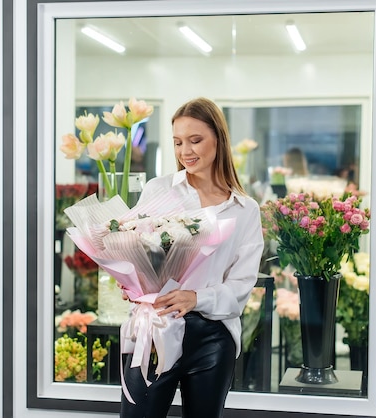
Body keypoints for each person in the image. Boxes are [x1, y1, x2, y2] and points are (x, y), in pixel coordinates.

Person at [119, 97, 265, 418]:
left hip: (212, 339)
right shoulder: (159, 190)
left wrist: (195, 297)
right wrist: (129, 279)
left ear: (219, 140)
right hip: (155, 330)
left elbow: (240, 286)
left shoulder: (245, 210)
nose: (186, 151)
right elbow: (133, 247)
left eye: (195, 140)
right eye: (178, 142)